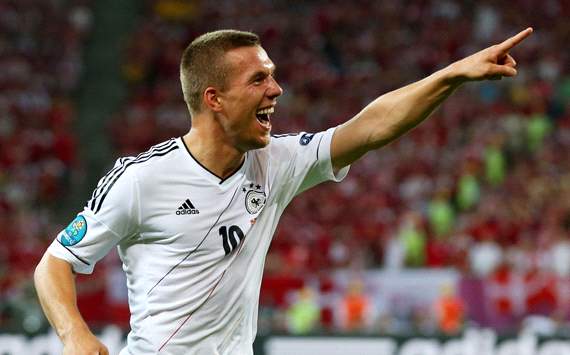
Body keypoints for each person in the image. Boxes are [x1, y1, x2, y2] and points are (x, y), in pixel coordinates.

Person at [33, 27, 533, 354]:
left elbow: (371, 127)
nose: (277, 90)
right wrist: (75, 333)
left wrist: (450, 76)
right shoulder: (141, 180)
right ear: (215, 99)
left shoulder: (278, 161)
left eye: (272, 76)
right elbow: (54, 262)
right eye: (259, 80)